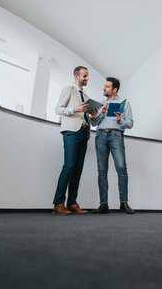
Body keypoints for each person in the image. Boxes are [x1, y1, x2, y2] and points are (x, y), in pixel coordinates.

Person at [52, 66, 98, 215]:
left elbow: (85, 116)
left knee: (78, 169)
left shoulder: (86, 94)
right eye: (84, 76)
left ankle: (72, 203)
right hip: (71, 132)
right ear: (76, 76)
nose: (87, 79)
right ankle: (58, 204)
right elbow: (58, 109)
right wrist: (74, 109)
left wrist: (93, 116)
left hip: (84, 132)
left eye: (87, 76)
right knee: (69, 166)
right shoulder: (68, 88)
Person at [91, 77, 135, 214]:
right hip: (101, 136)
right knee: (102, 170)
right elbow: (94, 123)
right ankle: (103, 204)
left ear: (114, 89)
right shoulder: (99, 102)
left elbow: (131, 123)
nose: (104, 88)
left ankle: (124, 202)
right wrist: (101, 113)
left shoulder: (124, 102)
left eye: (107, 86)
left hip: (116, 135)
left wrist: (120, 120)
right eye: (104, 86)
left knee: (121, 168)